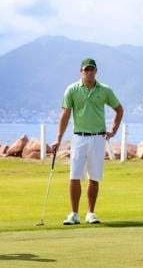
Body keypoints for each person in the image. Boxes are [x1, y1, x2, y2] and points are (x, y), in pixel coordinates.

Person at [51, 57, 124, 225]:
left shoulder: (105, 90)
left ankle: (91, 213)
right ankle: (74, 214)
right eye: (86, 70)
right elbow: (65, 115)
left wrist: (113, 130)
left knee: (94, 177)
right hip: (79, 137)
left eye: (92, 69)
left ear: (96, 71)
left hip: (98, 138)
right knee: (74, 175)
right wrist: (58, 139)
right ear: (81, 72)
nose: (89, 72)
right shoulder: (72, 90)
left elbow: (119, 109)